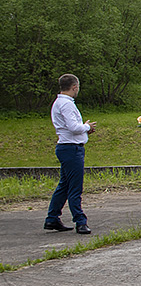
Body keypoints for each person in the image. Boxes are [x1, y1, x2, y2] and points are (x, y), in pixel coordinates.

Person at [44, 73, 96, 234]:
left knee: (64, 185)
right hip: (71, 148)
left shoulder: (60, 102)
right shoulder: (66, 104)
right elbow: (74, 127)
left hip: (67, 147)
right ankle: (80, 221)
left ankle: (52, 218)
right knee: (74, 187)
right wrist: (87, 127)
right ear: (74, 87)